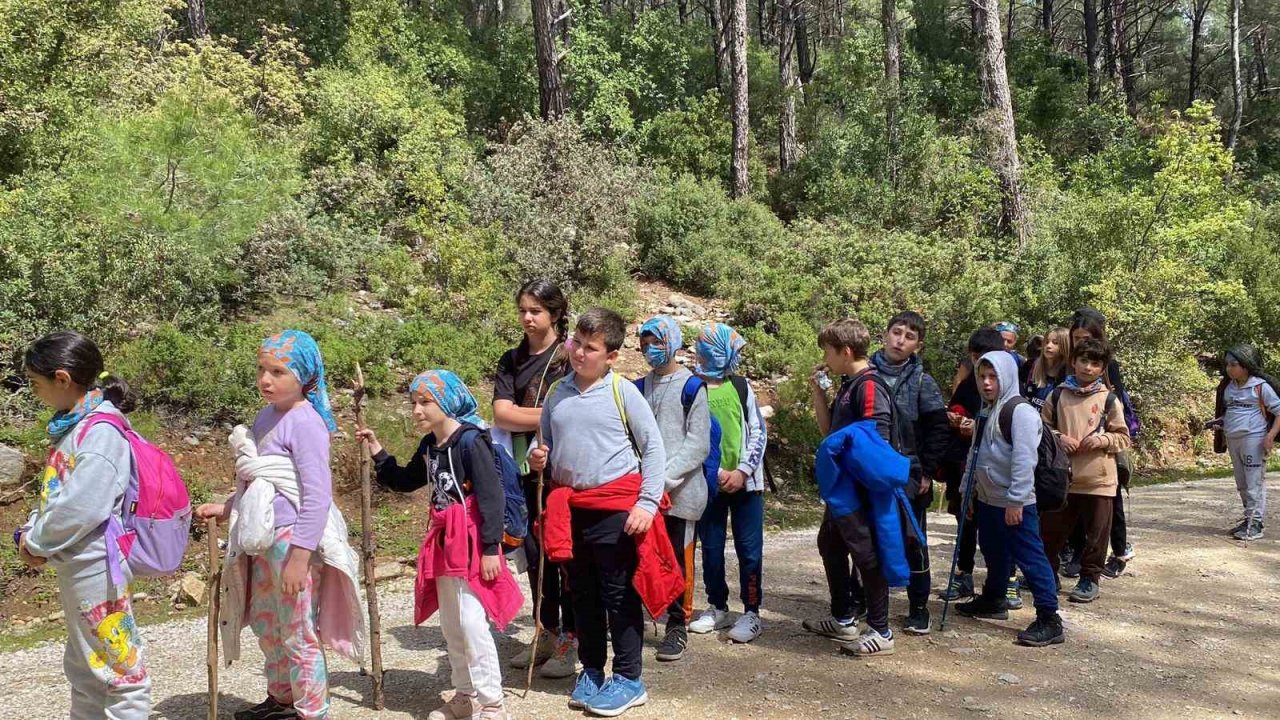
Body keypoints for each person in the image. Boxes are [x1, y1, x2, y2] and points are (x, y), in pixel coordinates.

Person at [197, 330, 365, 720]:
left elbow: (315, 494)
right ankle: (282, 697)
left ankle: (312, 708)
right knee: (267, 623)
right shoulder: (267, 416)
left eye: (278, 371)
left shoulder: (305, 423)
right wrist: (226, 508)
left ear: (303, 377)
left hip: (292, 541)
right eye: (261, 370)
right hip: (264, 537)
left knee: (296, 629)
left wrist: (300, 556)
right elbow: (262, 480)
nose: (266, 380)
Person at [528, 308, 681, 717]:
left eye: (590, 348)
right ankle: (593, 671)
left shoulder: (622, 392)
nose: (579, 353)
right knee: (583, 596)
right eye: (576, 343)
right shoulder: (558, 392)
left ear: (611, 356)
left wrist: (647, 504)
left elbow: (653, 449)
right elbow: (543, 444)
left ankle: (630, 679)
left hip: (615, 509)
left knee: (618, 595)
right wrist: (537, 457)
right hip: (571, 510)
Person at [359, 370, 522, 720]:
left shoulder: (471, 441)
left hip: (471, 542)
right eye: (413, 403)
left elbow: (491, 496)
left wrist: (491, 548)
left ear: (446, 402)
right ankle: (464, 694)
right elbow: (405, 481)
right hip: (444, 542)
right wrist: (378, 452)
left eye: (425, 402)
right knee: (451, 623)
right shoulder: (430, 445)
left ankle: (492, 703)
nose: (416, 410)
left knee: (472, 623)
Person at [17, 331, 152, 719]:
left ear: (62, 378)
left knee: (119, 668)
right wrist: (34, 532)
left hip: (96, 565)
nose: (34, 391)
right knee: (85, 667)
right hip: (80, 564)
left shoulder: (100, 431)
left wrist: (36, 543)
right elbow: (58, 492)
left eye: (36, 383)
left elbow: (83, 507)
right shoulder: (76, 427)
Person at [491, 279, 576, 678]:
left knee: (563, 555)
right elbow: (502, 415)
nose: (527, 317)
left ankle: (570, 640)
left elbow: (579, 411)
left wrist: (549, 417)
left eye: (536, 311)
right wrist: (550, 414)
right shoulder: (511, 359)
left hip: (565, 472)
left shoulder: (570, 356)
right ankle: (545, 630)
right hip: (524, 472)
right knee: (535, 555)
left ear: (556, 314)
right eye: (523, 309)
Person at [954, 352, 1066, 647]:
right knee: (993, 551)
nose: (987, 383)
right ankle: (994, 598)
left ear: (1006, 377)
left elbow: (1024, 459)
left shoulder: (1021, 412)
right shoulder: (986, 410)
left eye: (993, 377)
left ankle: (1049, 618)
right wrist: (968, 491)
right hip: (989, 498)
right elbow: (974, 455)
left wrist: (1017, 500)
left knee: (1029, 556)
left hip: (1016, 501)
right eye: (982, 377)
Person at [803, 318, 898, 656]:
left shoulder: (869, 385)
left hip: (859, 489)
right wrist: (818, 393)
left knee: (867, 555)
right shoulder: (848, 383)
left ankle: (881, 630)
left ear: (845, 351)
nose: (825, 358)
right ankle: (844, 618)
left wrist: (859, 483)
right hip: (842, 488)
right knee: (829, 543)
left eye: (828, 352)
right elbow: (830, 432)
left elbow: (875, 440)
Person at [687, 323, 770, 645]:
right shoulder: (693, 387)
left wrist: (743, 471)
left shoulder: (741, 386)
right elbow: (692, 434)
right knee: (710, 548)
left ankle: (751, 612)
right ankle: (717, 606)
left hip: (747, 485)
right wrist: (718, 472)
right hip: (709, 483)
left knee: (750, 550)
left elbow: (758, 431)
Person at [868, 311, 949, 634]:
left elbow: (938, 429)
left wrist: (927, 471)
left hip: (909, 473)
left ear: (918, 345)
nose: (900, 340)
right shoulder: (863, 373)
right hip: (869, 470)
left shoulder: (921, 382)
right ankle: (865, 599)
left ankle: (918, 606)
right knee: (867, 537)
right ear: (885, 334)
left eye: (909, 336)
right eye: (896, 332)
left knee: (913, 539)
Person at [635, 316, 711, 661]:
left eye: (656, 342)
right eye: (644, 342)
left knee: (678, 561)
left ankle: (677, 625)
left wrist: (662, 478)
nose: (650, 349)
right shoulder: (636, 387)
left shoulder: (692, 387)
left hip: (680, 492)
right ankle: (637, 618)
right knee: (641, 556)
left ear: (673, 342)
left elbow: (698, 443)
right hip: (643, 493)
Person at [1039, 338, 1131, 604]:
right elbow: (1041, 429)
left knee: (1097, 534)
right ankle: (1048, 576)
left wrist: (1102, 440)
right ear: (1073, 362)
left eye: (1095, 363)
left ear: (1102, 369)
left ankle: (1090, 579)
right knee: (1051, 532)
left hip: (1099, 480)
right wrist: (1059, 437)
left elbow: (1123, 437)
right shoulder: (1057, 395)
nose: (1088, 368)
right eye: (1083, 361)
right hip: (1062, 478)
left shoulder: (1109, 399)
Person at [1064, 311, 1137, 578]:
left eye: (1085, 338)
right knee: (1074, 501)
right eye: (1075, 338)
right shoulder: (1070, 365)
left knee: (1111, 500)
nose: (1080, 343)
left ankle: (1119, 551)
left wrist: (1102, 434)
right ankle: (1077, 552)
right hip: (1074, 446)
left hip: (1104, 444)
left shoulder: (1107, 365)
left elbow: (1118, 403)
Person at [938, 327, 1008, 604]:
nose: (980, 364)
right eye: (975, 356)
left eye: (985, 356)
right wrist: (956, 419)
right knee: (965, 520)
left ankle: (1001, 582)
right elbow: (956, 408)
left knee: (996, 525)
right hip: (963, 462)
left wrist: (978, 426)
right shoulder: (970, 383)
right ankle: (964, 574)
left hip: (995, 467)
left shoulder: (1008, 386)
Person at [1212, 345, 1279, 541]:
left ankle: (1256, 524)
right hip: (1233, 439)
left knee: (1254, 482)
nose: (1229, 369)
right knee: (1242, 483)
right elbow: (1229, 413)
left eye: (1234, 365)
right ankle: (1248, 518)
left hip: (1254, 439)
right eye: (1227, 365)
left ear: (1246, 366)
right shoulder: (1228, 388)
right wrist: (1219, 423)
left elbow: (1278, 411)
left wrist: (1270, 436)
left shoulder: (1260, 387)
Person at [1024, 327, 1069, 409]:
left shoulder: (1068, 374)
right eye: (1046, 342)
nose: (1048, 346)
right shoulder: (1036, 366)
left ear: (1065, 346)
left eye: (1055, 343)